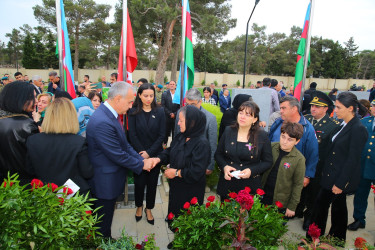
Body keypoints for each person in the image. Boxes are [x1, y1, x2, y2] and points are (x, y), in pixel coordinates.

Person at [86, 82, 154, 238]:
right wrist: (142, 164)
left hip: (110, 178)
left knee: (106, 219)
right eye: (130, 102)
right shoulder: (103, 121)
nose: (131, 106)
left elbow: (124, 144)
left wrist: (139, 159)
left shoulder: (110, 115)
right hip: (104, 183)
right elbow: (117, 153)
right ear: (117, 98)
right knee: (102, 224)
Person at [309, 92, 368, 242]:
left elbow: (352, 159)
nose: (335, 110)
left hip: (338, 177)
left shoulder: (358, 129)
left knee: (322, 208)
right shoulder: (342, 124)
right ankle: (334, 238)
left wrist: (341, 183)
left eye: (339, 107)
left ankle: (315, 238)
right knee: (337, 210)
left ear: (350, 108)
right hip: (330, 174)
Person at [25, 98, 93, 194]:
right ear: (71, 116)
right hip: (73, 197)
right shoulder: (78, 142)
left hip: (44, 195)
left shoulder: (33, 140)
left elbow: (29, 170)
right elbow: (87, 172)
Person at [152, 105, 210, 217]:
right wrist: (157, 159)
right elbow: (170, 151)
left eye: (181, 121)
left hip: (190, 191)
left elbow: (196, 171)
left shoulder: (202, 144)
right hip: (177, 187)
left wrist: (176, 173)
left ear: (191, 122)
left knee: (186, 222)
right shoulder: (181, 136)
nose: (178, 123)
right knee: (175, 215)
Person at [215, 101, 273, 200]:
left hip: (249, 186)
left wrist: (252, 171)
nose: (242, 117)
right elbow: (218, 154)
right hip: (228, 183)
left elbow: (267, 161)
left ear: (255, 119)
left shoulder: (262, 136)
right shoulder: (228, 131)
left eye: (247, 115)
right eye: (240, 113)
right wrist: (224, 167)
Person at [300, 91, 340, 230]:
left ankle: (309, 216)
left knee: (313, 193)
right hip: (302, 162)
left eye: (317, 106)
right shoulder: (305, 119)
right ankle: (298, 210)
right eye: (312, 106)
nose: (313, 109)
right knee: (300, 190)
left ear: (325, 108)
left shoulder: (332, 125)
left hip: (318, 165)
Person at [128, 83, 166, 225]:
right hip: (138, 155)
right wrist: (142, 155)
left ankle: (149, 208)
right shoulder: (132, 112)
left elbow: (162, 134)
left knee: (152, 184)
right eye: (145, 96)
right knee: (139, 183)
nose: (149, 98)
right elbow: (132, 135)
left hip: (155, 156)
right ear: (139, 95)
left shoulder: (160, 111)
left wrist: (149, 153)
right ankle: (139, 206)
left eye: (151, 96)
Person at [262, 122, 305, 218]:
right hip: (263, 195)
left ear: (297, 141)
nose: (284, 141)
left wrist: (292, 206)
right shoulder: (271, 147)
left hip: (281, 201)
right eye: (283, 136)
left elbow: (298, 184)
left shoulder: (299, 159)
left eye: (290, 139)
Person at [0, 81, 39, 185]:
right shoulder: (27, 125)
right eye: (33, 97)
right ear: (20, 99)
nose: (36, 101)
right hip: (24, 183)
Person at [174, 89, 218, 177]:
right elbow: (176, 136)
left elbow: (212, 144)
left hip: (199, 163)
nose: (189, 107)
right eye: (187, 104)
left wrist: (210, 165)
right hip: (181, 161)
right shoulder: (180, 112)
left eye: (193, 104)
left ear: (200, 102)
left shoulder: (210, 118)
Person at [347, 99, 375, 231]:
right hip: (363, 165)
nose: (373, 108)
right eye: (373, 106)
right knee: (360, 194)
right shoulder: (364, 123)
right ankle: (359, 219)